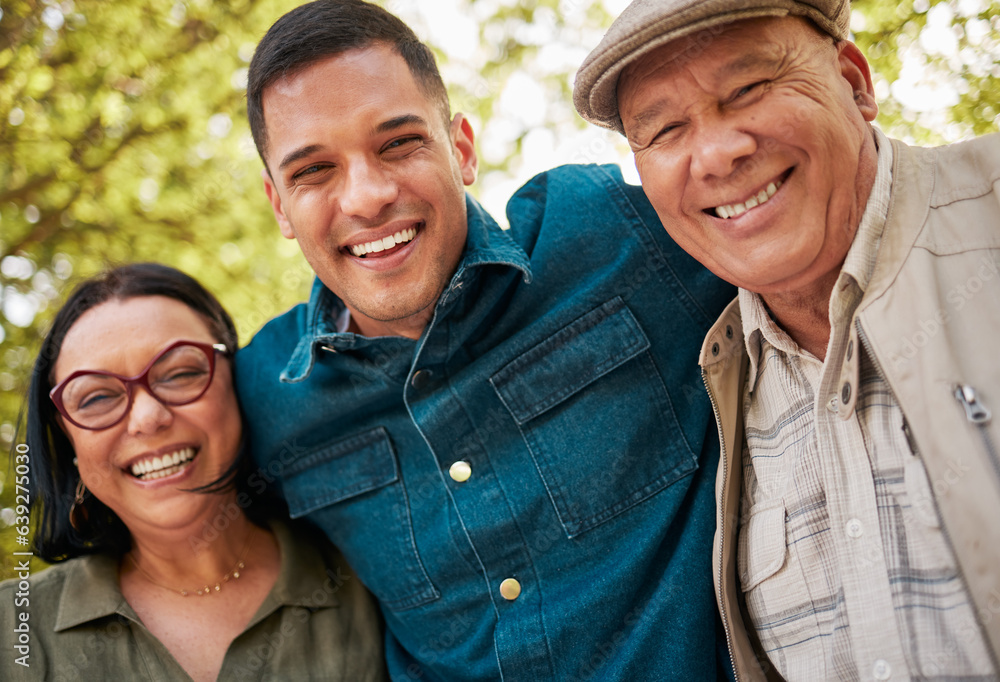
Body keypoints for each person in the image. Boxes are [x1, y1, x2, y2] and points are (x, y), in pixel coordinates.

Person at [235, 1, 736, 679]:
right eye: (313, 172)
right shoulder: (264, 392)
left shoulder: (620, 238)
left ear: (461, 148)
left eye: (398, 143)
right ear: (278, 206)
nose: (366, 196)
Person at [574, 0, 1000, 679]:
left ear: (855, 83)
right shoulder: (716, 382)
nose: (717, 154)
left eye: (748, 89)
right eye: (663, 130)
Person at [0, 263, 386, 682]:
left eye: (181, 373)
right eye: (95, 398)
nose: (147, 418)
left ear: (238, 382)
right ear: (68, 441)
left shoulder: (373, 579)